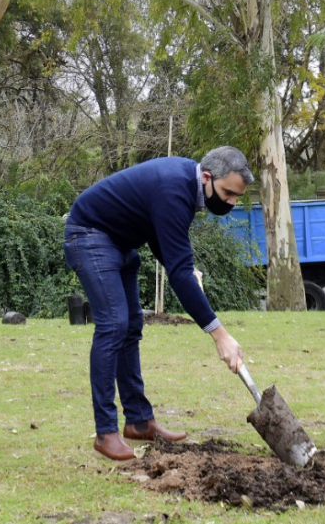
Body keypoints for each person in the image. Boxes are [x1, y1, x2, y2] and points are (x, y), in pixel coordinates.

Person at [64, 146, 253, 461]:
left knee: (131, 326)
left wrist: (181, 266)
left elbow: (158, 233)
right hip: (90, 236)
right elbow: (178, 274)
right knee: (114, 325)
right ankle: (105, 432)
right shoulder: (174, 189)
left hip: (120, 243)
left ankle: (139, 421)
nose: (230, 203)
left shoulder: (186, 186)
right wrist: (220, 335)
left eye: (236, 197)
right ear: (207, 177)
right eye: (227, 193)